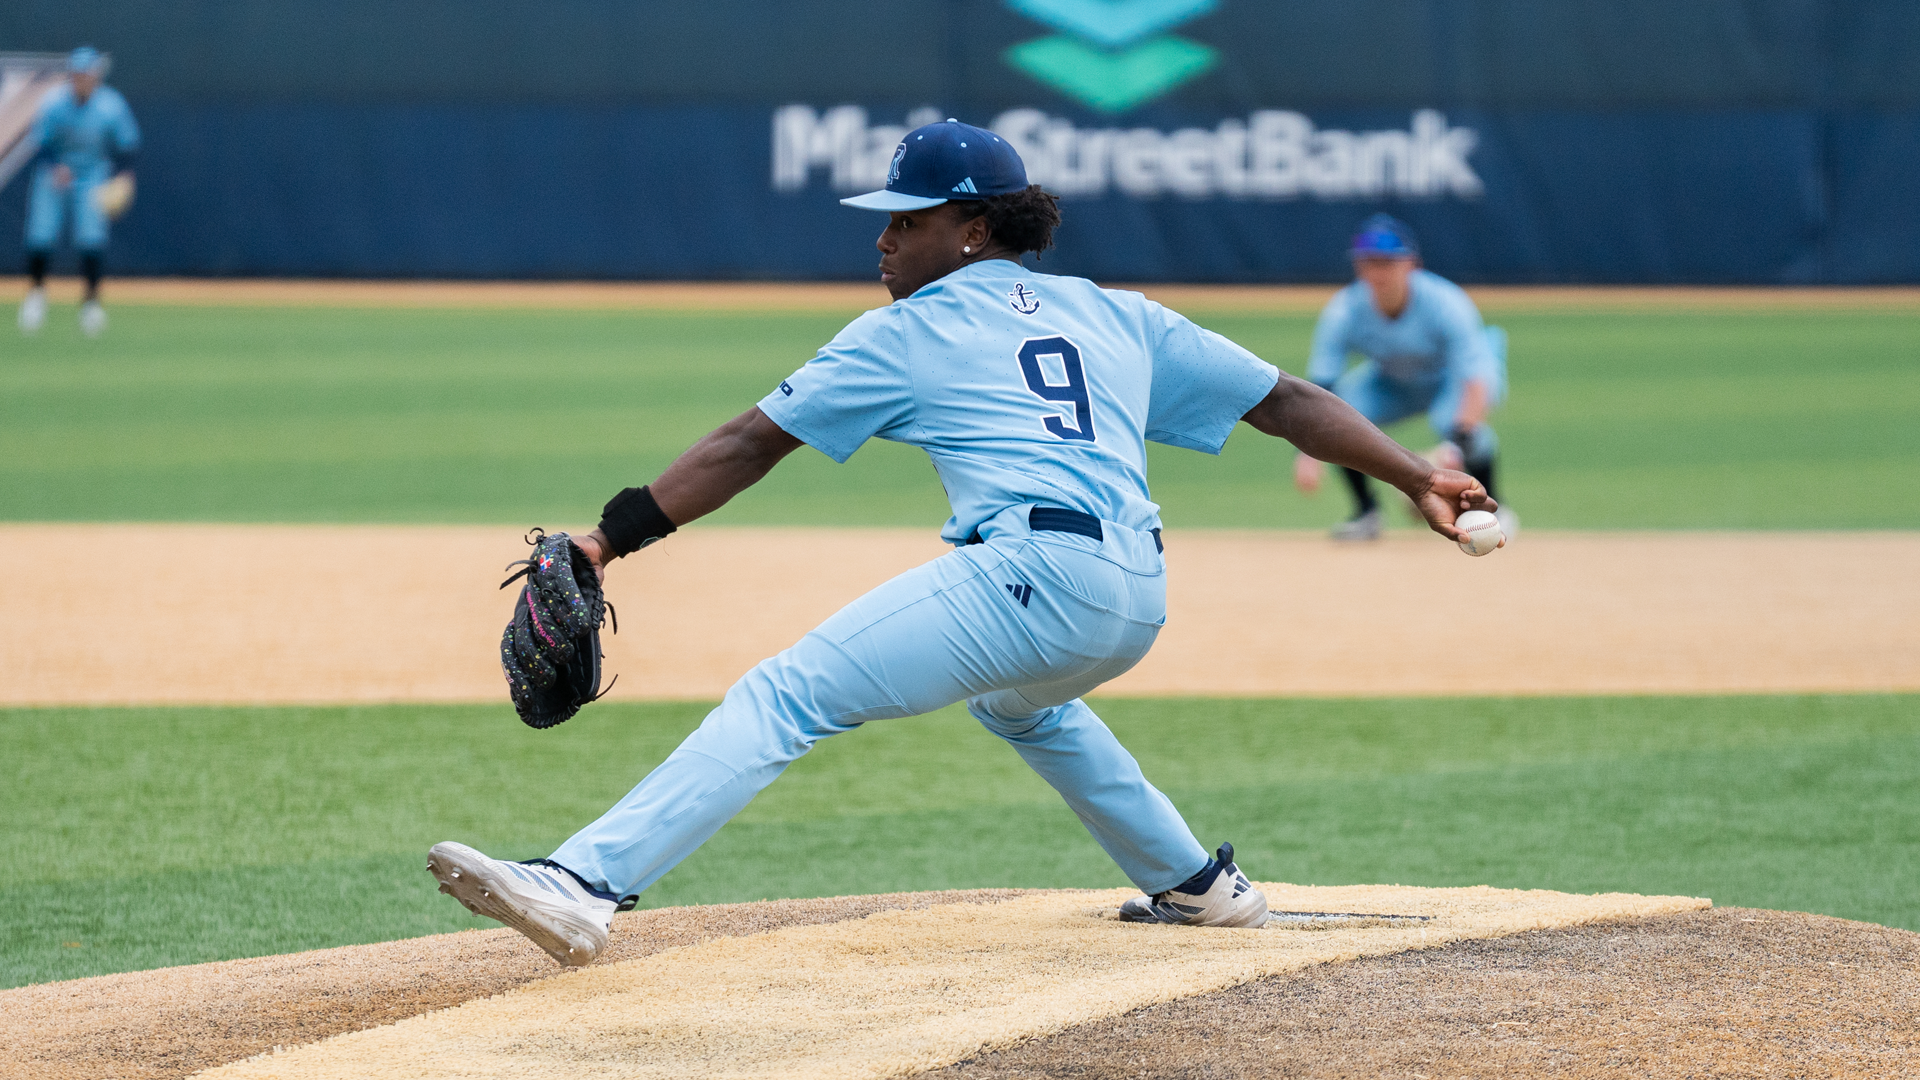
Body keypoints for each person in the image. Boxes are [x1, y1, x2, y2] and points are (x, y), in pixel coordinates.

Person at [427, 121, 1497, 966]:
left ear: (973, 229)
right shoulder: (1115, 313)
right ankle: (1196, 886)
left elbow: (750, 443)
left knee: (787, 694)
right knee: (1024, 707)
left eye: (908, 219)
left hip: (1031, 575)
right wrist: (1418, 477)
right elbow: (1291, 401)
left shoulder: (910, 328)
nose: (884, 239)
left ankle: (583, 886)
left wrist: (611, 538)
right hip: (1134, 595)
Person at [1293, 214, 1514, 541]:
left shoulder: (1446, 302)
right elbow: (1322, 385)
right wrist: (1308, 451)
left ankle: (1496, 508)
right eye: (1369, 263)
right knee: (1341, 417)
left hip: (1452, 380)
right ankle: (1366, 513)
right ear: (1358, 267)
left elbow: (1474, 380)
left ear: (1411, 263)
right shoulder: (1344, 309)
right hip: (1393, 382)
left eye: (1387, 262)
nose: (1378, 272)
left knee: (1457, 426)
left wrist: (1457, 443)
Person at [16, 47, 140, 339]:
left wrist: (125, 175)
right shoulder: (54, 103)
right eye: (78, 75)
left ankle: (91, 304)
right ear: (71, 77)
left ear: (96, 77)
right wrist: (56, 166)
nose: (83, 80)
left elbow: (129, 145)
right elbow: (40, 143)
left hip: (93, 174)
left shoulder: (110, 105)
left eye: (88, 75)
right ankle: (35, 297)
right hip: (55, 173)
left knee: (90, 239)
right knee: (40, 236)